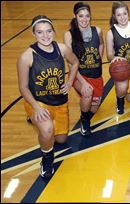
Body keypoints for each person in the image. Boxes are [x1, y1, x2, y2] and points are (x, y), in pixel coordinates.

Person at [17, 15, 79, 178]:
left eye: (48, 31)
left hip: (59, 101)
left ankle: (41, 123)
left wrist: (70, 81)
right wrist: (36, 107)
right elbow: (23, 87)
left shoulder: (62, 49)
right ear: (33, 34)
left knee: (61, 140)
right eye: (40, 32)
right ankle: (46, 157)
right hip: (38, 101)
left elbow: (75, 62)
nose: (45, 36)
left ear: (53, 31)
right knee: (47, 129)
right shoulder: (26, 57)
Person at [64, 2, 104, 136]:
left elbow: (101, 44)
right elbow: (70, 63)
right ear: (75, 16)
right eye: (81, 16)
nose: (84, 19)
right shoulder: (69, 35)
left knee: (94, 107)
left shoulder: (97, 31)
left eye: (87, 16)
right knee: (87, 93)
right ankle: (84, 121)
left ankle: (86, 114)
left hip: (96, 75)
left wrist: (99, 60)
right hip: (78, 75)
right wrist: (84, 82)